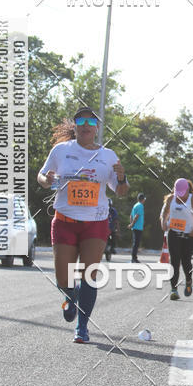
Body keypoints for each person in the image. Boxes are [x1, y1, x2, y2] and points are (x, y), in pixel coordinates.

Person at [37, 106, 128, 343]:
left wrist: (122, 176)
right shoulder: (61, 151)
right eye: (81, 120)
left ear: (96, 127)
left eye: (91, 121)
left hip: (95, 223)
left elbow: (120, 191)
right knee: (63, 278)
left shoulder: (108, 155)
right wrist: (46, 179)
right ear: (76, 126)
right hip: (65, 220)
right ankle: (71, 294)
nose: (86, 125)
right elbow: (42, 175)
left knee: (89, 274)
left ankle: (82, 327)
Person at [160, 178, 193, 299]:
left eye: (183, 193)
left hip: (188, 236)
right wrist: (163, 223)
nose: (180, 196)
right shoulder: (171, 199)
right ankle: (173, 290)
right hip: (173, 234)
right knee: (174, 262)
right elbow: (164, 213)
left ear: (187, 190)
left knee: (186, 262)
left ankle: (188, 281)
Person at [129, 193, 145, 263]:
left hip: (135, 227)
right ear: (143, 199)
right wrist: (132, 224)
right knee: (136, 243)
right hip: (138, 227)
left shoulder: (135, 205)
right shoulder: (140, 206)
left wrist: (131, 224)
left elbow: (131, 215)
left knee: (135, 243)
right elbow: (137, 216)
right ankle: (134, 258)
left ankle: (134, 257)